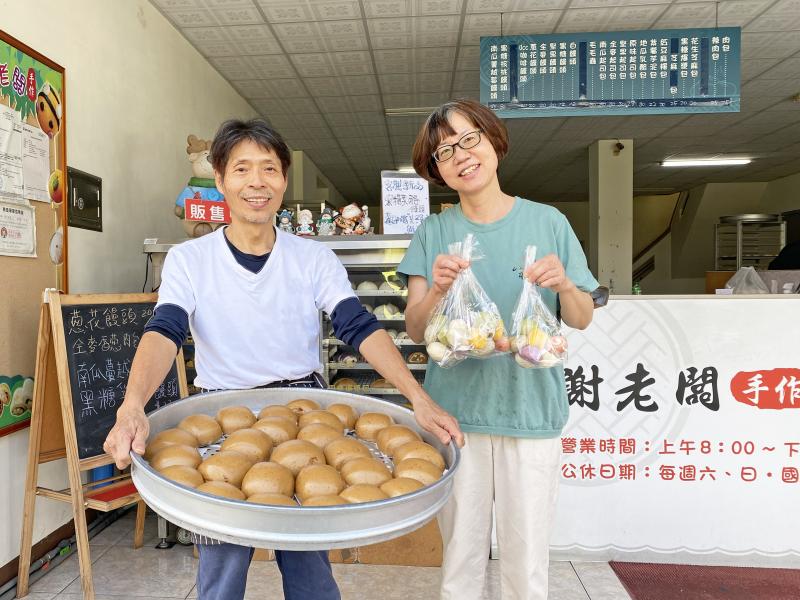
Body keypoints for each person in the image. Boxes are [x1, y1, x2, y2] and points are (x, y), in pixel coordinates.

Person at [103, 119, 463, 600]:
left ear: (284, 179)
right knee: (223, 564)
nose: (257, 182)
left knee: (309, 558)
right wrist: (132, 406)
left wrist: (417, 396)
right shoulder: (191, 259)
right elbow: (164, 331)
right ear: (221, 177)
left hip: (303, 408)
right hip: (221, 413)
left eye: (269, 169)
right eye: (243, 169)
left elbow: (357, 326)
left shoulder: (313, 258)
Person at [398, 99, 598, 600]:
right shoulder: (435, 232)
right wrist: (440, 290)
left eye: (469, 139)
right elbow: (417, 329)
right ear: (436, 170)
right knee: (460, 559)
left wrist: (566, 286)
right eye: (445, 152)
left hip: (532, 414)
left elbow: (580, 317)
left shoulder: (548, 222)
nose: (461, 156)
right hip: (457, 418)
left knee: (526, 560)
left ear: (493, 141)